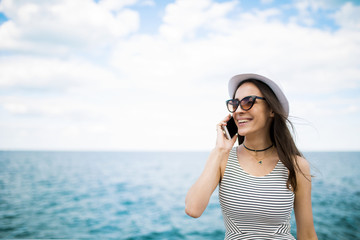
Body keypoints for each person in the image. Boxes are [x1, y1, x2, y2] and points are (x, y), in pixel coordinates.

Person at [185, 73, 318, 240]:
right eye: (235, 104)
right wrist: (220, 150)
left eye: (248, 102)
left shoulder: (296, 165)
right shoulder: (222, 158)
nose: (239, 110)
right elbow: (193, 209)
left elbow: (307, 234)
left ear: (271, 109)